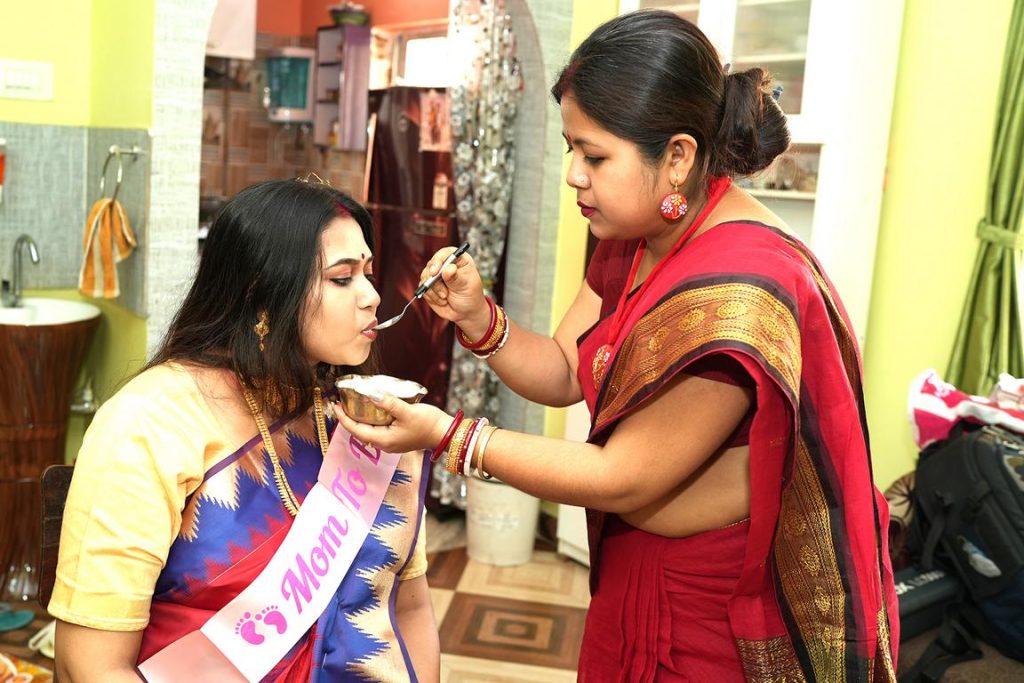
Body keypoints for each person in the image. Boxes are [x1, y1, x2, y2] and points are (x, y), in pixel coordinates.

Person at [338, 10, 899, 682]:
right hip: (631, 570)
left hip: (710, 606)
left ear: (678, 157)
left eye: (595, 156)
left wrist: (446, 436)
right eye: (571, 150)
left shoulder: (740, 289)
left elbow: (622, 474)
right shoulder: (634, 240)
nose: (574, 175)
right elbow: (562, 370)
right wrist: (478, 317)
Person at [48, 180, 439, 682]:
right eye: (342, 278)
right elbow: (91, 665)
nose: (372, 296)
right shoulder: (151, 421)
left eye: (366, 272)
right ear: (261, 293)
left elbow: (409, 609)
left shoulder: (363, 419)